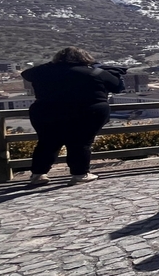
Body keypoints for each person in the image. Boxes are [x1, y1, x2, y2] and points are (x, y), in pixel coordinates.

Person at [21, 47, 125, 185]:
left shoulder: (44, 72)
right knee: (81, 142)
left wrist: (54, 64)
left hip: (47, 111)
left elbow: (26, 73)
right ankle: (80, 174)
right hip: (87, 112)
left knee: (47, 142)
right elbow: (118, 86)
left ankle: (38, 175)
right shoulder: (95, 72)